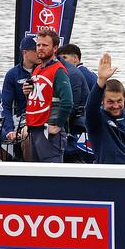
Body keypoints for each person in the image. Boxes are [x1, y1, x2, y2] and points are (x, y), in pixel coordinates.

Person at [24, 28, 73, 163]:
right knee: (35, 175)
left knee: (52, 177)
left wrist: (57, 125)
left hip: (48, 131)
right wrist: (27, 92)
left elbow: (68, 102)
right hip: (34, 128)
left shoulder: (58, 70)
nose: (40, 48)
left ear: (55, 48)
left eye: (45, 45)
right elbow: (39, 97)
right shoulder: (38, 69)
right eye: (38, 45)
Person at [0, 35, 39, 158]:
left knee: (27, 136)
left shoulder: (45, 71)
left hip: (40, 118)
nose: (39, 52)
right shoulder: (12, 74)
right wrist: (9, 129)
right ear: (25, 52)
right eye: (35, 50)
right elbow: (5, 106)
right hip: (20, 118)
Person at [56, 43, 93, 162]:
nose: (62, 62)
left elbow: (73, 105)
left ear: (75, 58)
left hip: (82, 123)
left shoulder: (76, 74)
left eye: (65, 58)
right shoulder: (87, 73)